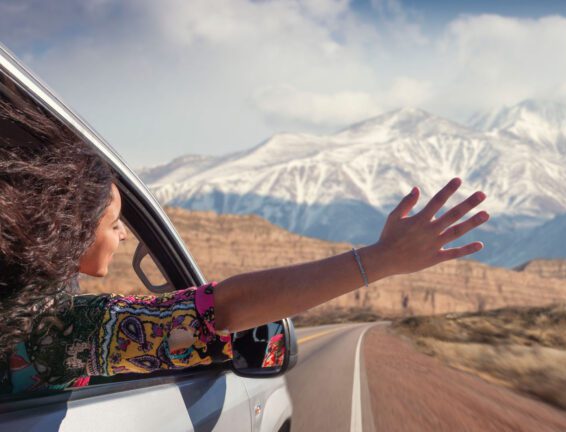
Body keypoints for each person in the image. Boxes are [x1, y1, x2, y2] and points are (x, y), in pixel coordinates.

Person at [0, 81, 489, 394]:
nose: (124, 235)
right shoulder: (52, 333)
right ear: (67, 232)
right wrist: (380, 260)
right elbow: (223, 311)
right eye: (113, 224)